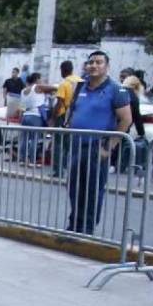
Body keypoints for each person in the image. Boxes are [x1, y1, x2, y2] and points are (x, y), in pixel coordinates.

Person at [63, 50, 131, 233]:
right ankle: (74, 225)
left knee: (92, 190)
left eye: (99, 62)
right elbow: (73, 110)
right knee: (74, 187)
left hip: (97, 147)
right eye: (91, 62)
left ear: (107, 66)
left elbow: (126, 119)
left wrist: (108, 148)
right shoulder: (80, 87)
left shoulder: (116, 90)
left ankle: (86, 229)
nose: (93, 65)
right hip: (77, 146)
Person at [38, 60, 82, 178]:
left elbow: (59, 103)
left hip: (63, 116)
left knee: (58, 144)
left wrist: (52, 118)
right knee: (70, 145)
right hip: (77, 116)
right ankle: (71, 170)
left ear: (63, 70)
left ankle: (58, 171)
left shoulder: (65, 84)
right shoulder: (80, 81)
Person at [18, 72, 45, 164]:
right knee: (34, 139)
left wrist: (20, 117)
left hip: (25, 115)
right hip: (35, 116)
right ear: (37, 79)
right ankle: (32, 160)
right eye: (40, 79)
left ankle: (22, 159)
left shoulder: (23, 91)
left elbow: (21, 107)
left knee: (24, 139)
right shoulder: (37, 88)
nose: (41, 81)